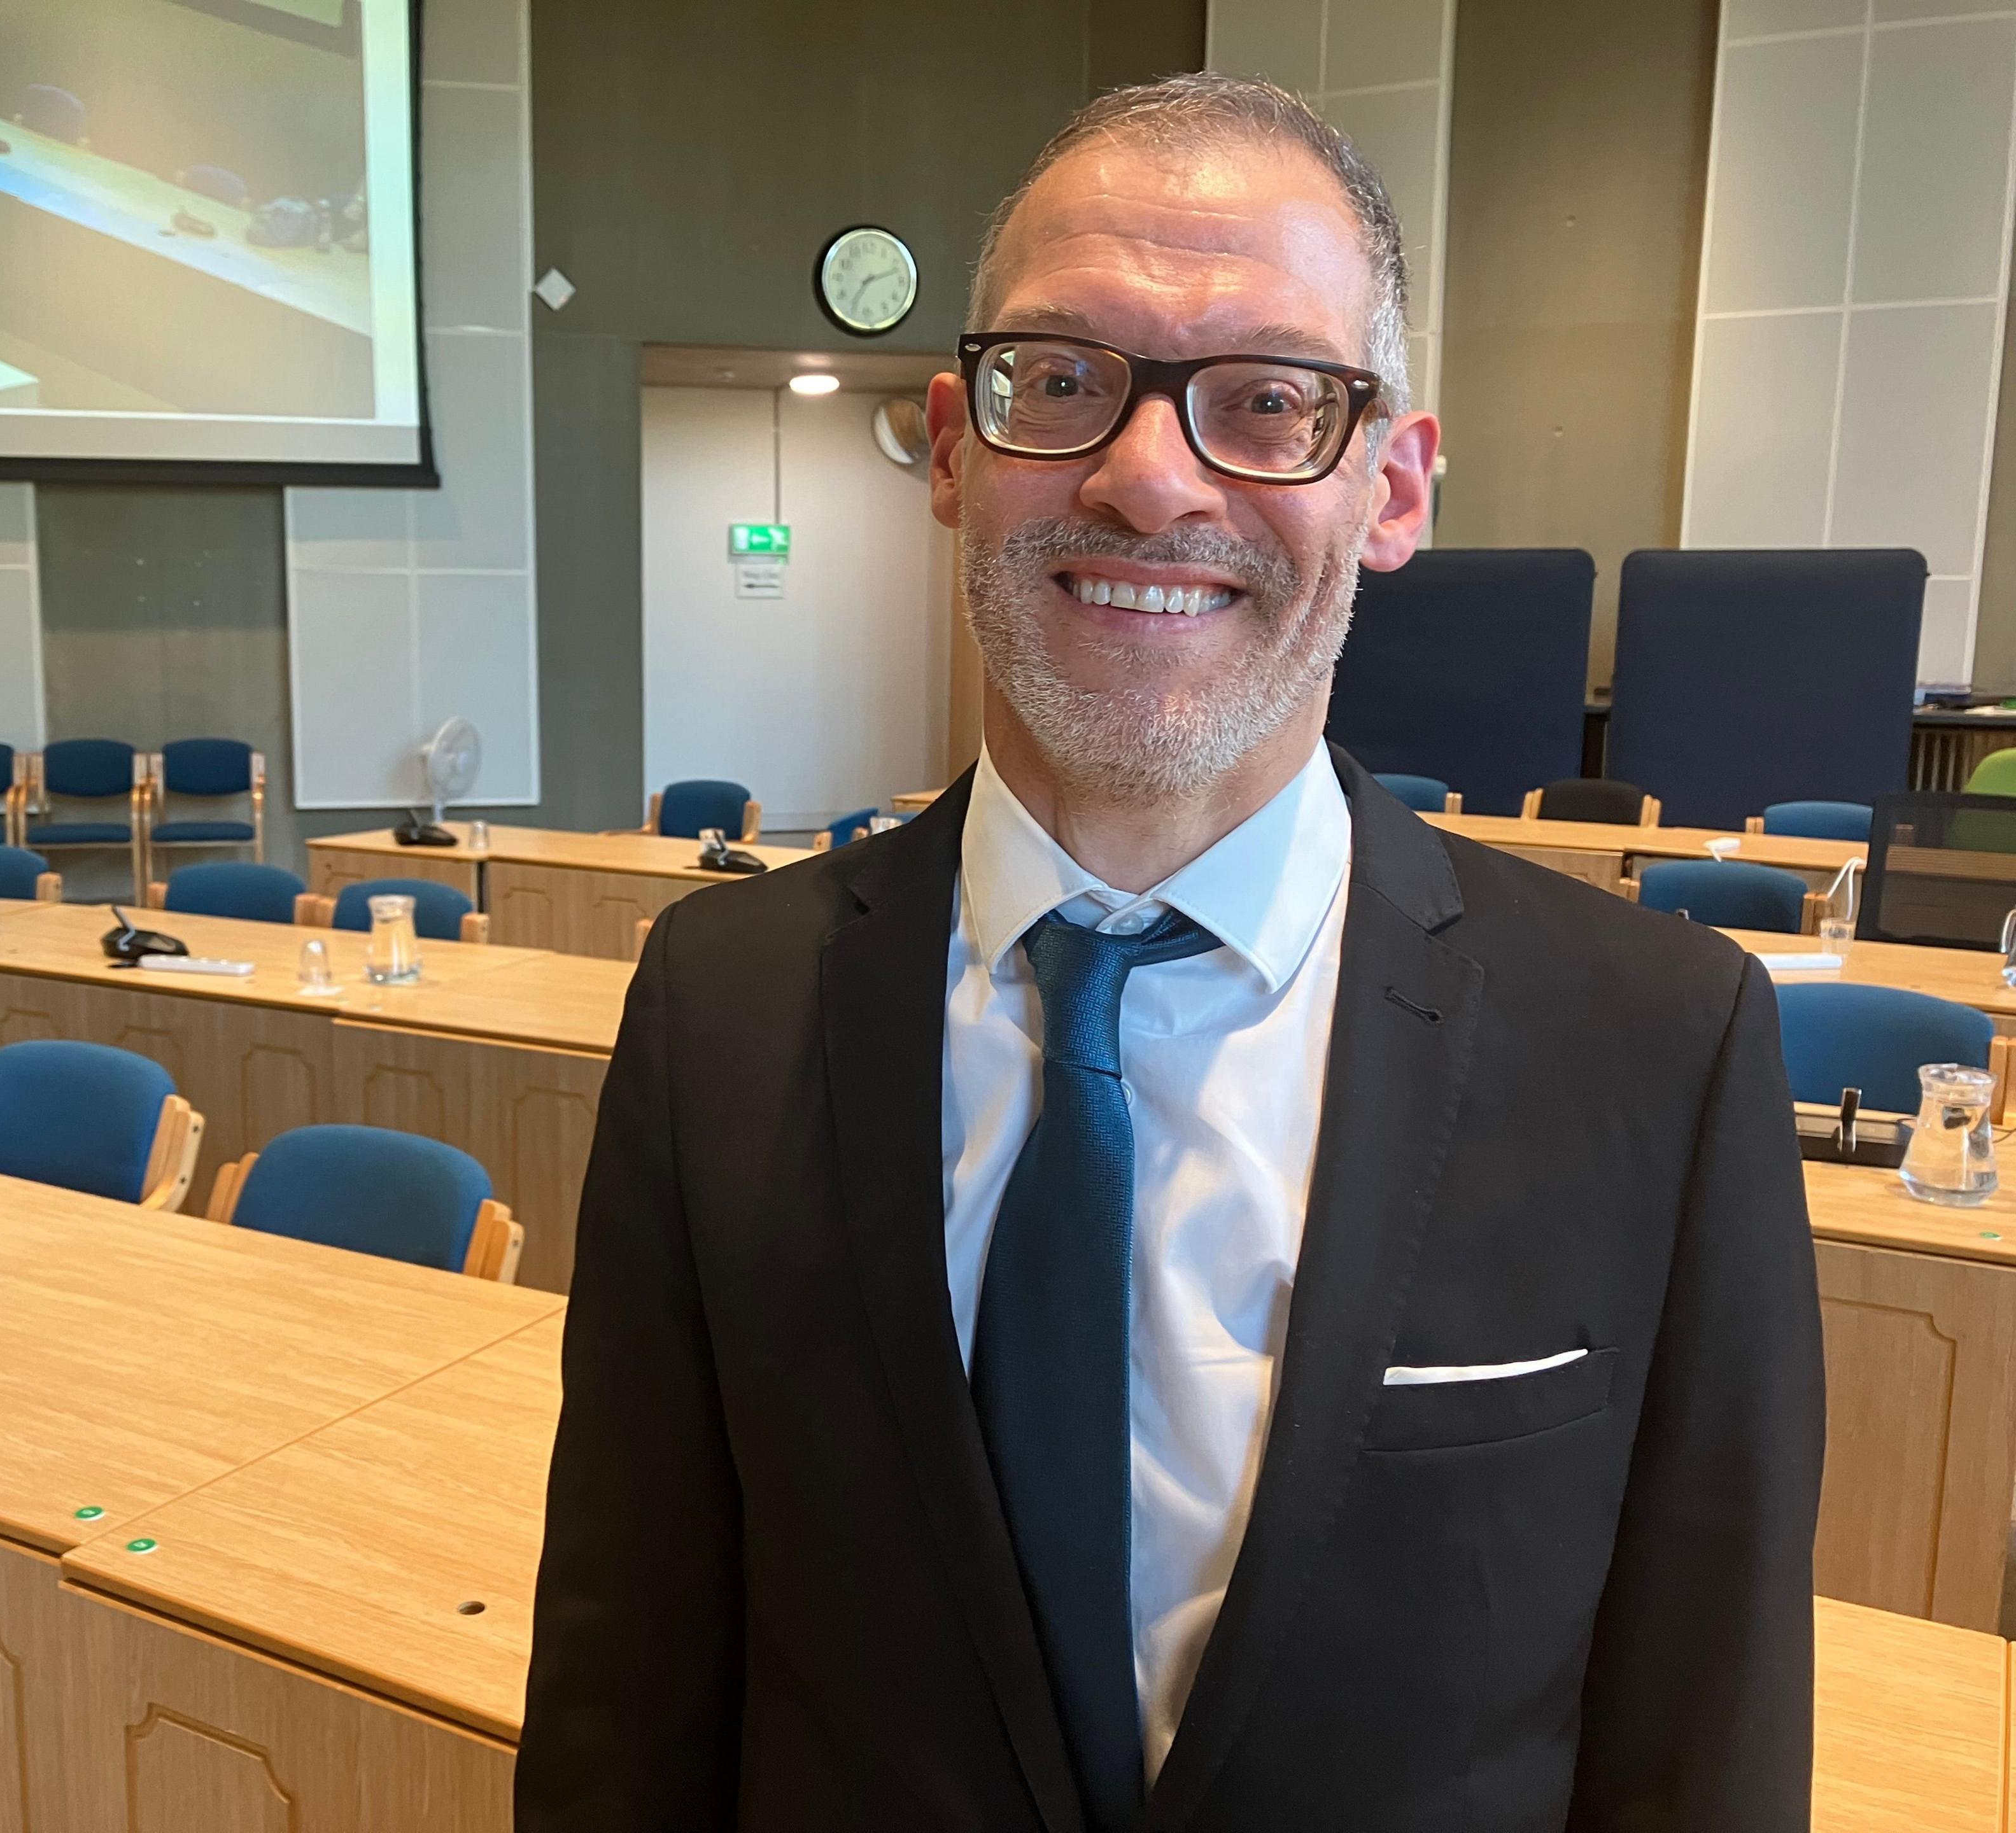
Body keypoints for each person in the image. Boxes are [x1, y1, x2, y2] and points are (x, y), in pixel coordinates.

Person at [519, 72, 1822, 1833]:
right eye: (1061, 381)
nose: (1147, 480)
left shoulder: (1661, 1047)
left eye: (1270, 401)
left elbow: (1706, 1736)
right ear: (955, 450)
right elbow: (627, 1692)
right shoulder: (719, 1009)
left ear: (1394, 488)